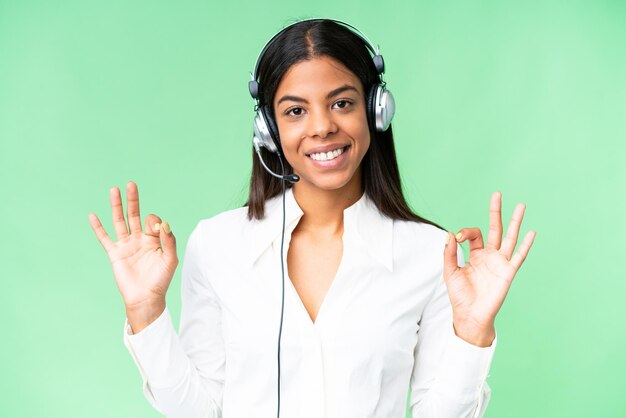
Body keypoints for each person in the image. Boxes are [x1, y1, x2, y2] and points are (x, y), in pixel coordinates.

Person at [88, 18, 536, 418]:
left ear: (376, 109)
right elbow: (200, 410)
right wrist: (146, 313)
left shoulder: (429, 254)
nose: (321, 126)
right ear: (268, 128)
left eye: (342, 103)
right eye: (296, 111)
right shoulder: (217, 244)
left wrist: (472, 332)